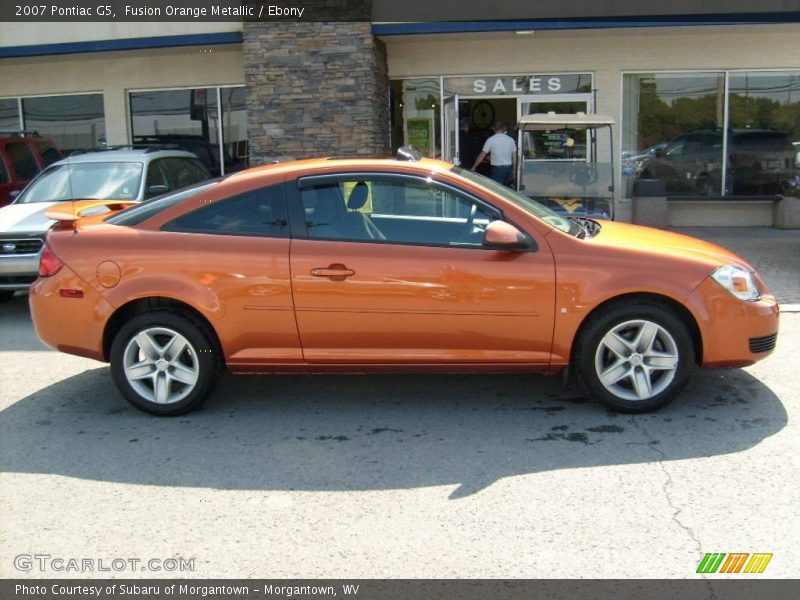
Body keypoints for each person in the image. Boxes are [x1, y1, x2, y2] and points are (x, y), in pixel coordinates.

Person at [471, 120, 516, 187]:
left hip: (497, 169)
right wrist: (514, 170)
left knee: (496, 190)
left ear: (493, 128)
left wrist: (474, 167)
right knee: (506, 190)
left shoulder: (491, 140)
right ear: (503, 128)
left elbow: (482, 155)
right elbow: (514, 156)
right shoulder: (511, 140)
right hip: (508, 169)